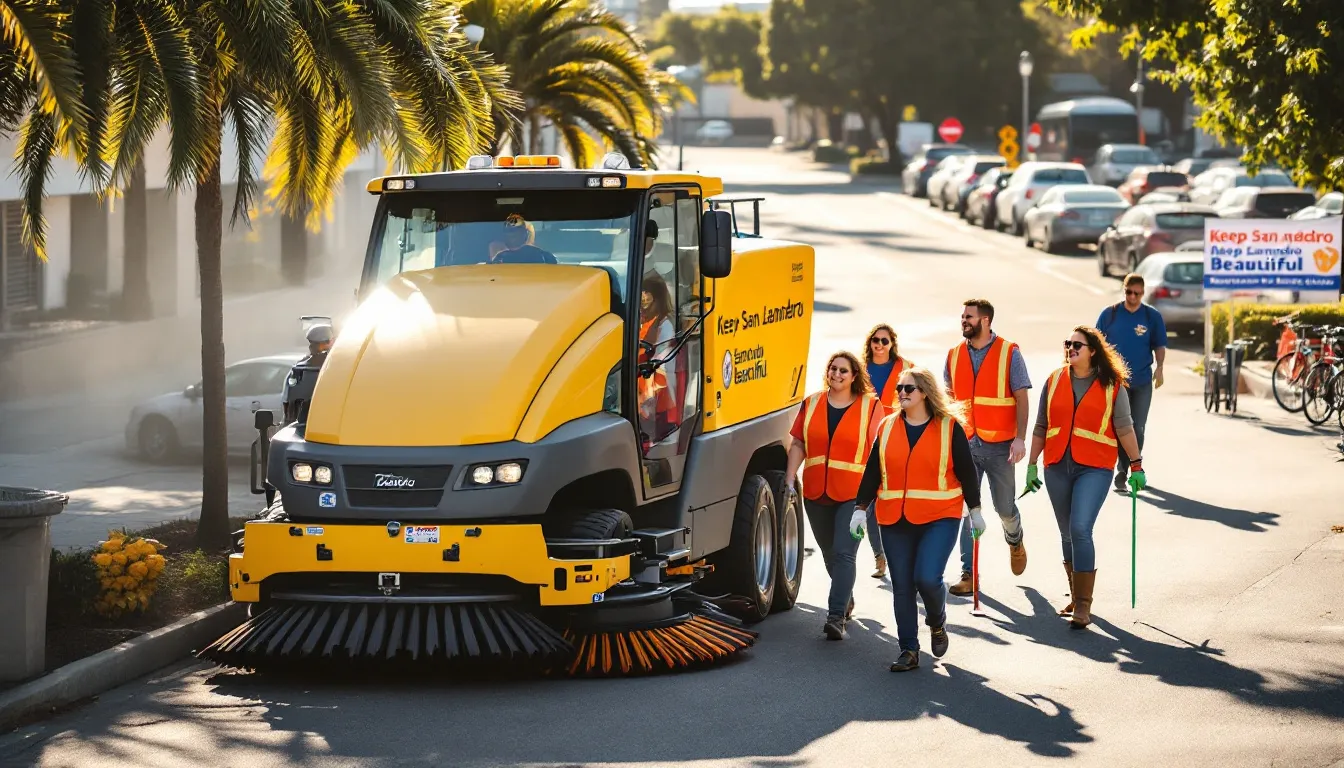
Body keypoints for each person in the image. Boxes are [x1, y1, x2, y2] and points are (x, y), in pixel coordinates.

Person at [853, 366, 984, 672]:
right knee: (901, 585)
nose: (901, 393)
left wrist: (975, 511)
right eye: (899, 388)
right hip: (894, 518)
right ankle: (909, 649)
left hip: (940, 516)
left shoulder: (949, 427)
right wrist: (860, 509)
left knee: (926, 577)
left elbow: (967, 471)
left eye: (908, 389)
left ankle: (937, 622)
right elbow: (873, 470)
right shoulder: (886, 426)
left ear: (924, 392)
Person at [1022, 326, 1147, 629]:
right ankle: (1076, 593)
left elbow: (1125, 427)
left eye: (1077, 344)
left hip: (1095, 467)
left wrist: (1136, 465)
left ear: (1093, 350)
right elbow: (1040, 425)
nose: (1071, 348)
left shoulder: (1112, 385)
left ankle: (1083, 605)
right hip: (1057, 466)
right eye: (1068, 343)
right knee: (1066, 532)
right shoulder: (1053, 380)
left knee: (1080, 528)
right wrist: (1032, 464)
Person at [784, 351, 886, 640]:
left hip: (854, 497)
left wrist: (879, 489)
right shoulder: (812, 403)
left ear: (854, 376)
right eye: (832, 368)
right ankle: (846, 598)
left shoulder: (871, 407)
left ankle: (835, 616)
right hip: (816, 493)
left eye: (843, 370)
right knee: (830, 555)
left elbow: (881, 452)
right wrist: (790, 479)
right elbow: (798, 443)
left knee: (843, 553)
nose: (836, 374)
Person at [944, 298, 1029, 596]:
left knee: (1004, 508)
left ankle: (1014, 538)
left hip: (1001, 446)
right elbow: (949, 402)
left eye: (969, 316)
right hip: (966, 444)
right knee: (969, 510)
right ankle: (969, 574)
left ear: (986, 321)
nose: (963, 320)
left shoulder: (1009, 353)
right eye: (962, 316)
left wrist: (1020, 438)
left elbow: (1021, 397)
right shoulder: (954, 355)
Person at [1096, 273, 1167, 493]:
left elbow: (1159, 345)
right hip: (1117, 383)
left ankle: (1129, 468)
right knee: (1119, 427)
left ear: (1143, 293)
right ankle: (1122, 469)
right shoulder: (1110, 314)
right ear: (1124, 289)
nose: (1132, 297)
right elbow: (1096, 344)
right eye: (1129, 292)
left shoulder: (1151, 316)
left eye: (1137, 293)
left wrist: (1161, 368)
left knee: (1138, 427)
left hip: (1142, 381)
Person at [862, 323, 912, 579]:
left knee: (895, 502)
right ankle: (879, 557)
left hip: (897, 443)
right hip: (867, 446)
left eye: (884, 341)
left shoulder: (906, 369)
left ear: (892, 344)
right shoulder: (859, 370)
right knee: (869, 505)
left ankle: (900, 556)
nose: (879, 345)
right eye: (875, 340)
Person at [637, 273, 680, 443]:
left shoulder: (665, 325)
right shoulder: (647, 322)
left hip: (658, 386)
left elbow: (661, 361)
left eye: (646, 295)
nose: (642, 301)